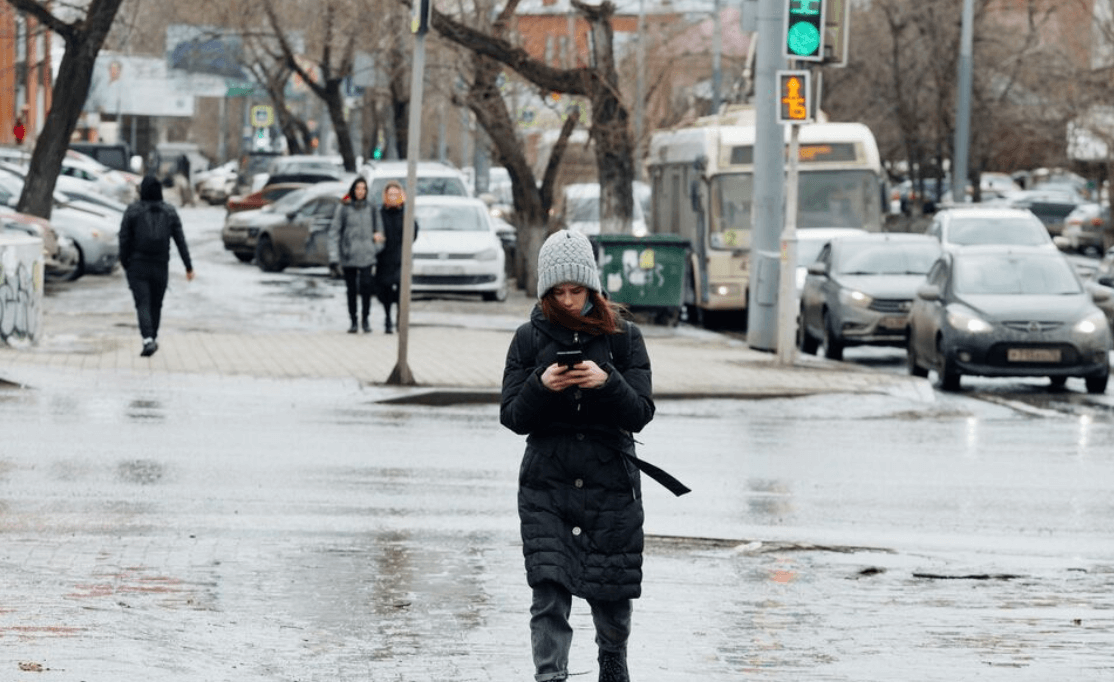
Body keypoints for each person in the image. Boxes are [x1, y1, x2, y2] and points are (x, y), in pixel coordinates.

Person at [500, 230, 688, 682]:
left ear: (593, 288)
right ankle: (550, 676)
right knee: (548, 589)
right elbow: (512, 416)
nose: (567, 301)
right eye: (558, 292)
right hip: (547, 482)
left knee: (611, 590)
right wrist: (540, 386)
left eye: (576, 290)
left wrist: (607, 382)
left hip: (610, 481)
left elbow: (640, 412)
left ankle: (612, 658)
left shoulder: (625, 339)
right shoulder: (527, 339)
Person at [118, 175, 195, 357]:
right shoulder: (169, 212)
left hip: (137, 264)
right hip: (160, 265)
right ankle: (152, 337)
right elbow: (180, 240)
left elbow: (124, 239)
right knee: (156, 304)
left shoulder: (132, 211)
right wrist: (188, 266)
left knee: (142, 303)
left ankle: (148, 339)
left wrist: (125, 262)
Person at [329, 177, 384, 333]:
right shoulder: (344, 207)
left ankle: (365, 319)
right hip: (349, 255)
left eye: (363, 189)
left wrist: (377, 247)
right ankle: (353, 320)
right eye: (358, 188)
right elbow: (335, 231)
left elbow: (379, 230)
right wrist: (334, 255)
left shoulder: (371, 207)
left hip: (367, 254)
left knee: (366, 287)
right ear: (353, 190)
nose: (360, 192)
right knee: (351, 289)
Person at [375, 180, 417, 334]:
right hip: (384, 258)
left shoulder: (406, 214)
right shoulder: (380, 214)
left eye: (395, 194)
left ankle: (400, 318)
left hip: (401, 259)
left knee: (401, 290)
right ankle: (387, 317)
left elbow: (413, 233)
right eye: (390, 194)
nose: (393, 197)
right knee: (384, 290)